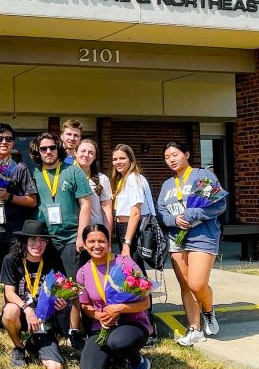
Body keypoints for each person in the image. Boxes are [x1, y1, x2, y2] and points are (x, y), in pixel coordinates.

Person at [156, 140, 227, 347]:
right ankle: (194, 329)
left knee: (197, 283)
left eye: (175, 154)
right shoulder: (168, 185)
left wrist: (192, 214)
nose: (171, 160)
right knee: (186, 285)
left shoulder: (201, 176)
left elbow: (219, 205)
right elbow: (161, 212)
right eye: (167, 157)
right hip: (176, 239)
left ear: (186, 154)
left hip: (202, 237)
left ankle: (208, 310)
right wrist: (173, 220)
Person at [29, 132, 91, 349]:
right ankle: (49, 324)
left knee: (73, 286)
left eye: (52, 148)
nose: (48, 152)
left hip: (71, 238)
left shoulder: (73, 171)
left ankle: (74, 330)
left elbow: (85, 204)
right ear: (38, 152)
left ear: (59, 148)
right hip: (45, 240)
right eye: (43, 149)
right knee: (47, 285)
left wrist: (82, 235)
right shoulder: (34, 173)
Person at [0, 123, 38, 343]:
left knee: (15, 280)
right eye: (0, 138)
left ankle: (12, 316)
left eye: (9, 139)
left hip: (13, 232)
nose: (4, 142)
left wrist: (10, 197)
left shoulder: (20, 169)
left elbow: (32, 200)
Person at [75, 224, 152, 369]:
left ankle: (139, 361)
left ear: (109, 243)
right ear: (84, 244)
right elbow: (85, 306)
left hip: (132, 323)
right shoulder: (82, 273)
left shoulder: (125, 264)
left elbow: (146, 303)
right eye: (91, 241)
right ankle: (118, 356)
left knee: (118, 342)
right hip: (102, 327)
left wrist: (120, 308)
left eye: (101, 241)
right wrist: (99, 316)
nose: (97, 246)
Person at [0, 220, 66, 369]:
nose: (38, 244)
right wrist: (27, 310)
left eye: (43, 239)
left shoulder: (53, 260)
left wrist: (62, 302)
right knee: (10, 310)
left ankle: (34, 341)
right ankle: (19, 347)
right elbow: (9, 293)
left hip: (43, 319)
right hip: (22, 314)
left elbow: (60, 289)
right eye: (33, 240)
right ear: (25, 241)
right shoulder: (11, 260)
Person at [109, 144, 156, 273]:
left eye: (122, 158)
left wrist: (127, 243)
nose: (118, 162)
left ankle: (144, 294)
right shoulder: (123, 179)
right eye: (115, 159)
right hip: (125, 228)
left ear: (131, 159)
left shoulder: (133, 179)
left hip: (132, 229)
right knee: (133, 272)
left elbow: (135, 212)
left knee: (135, 272)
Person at [74, 138, 113, 236]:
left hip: (94, 231)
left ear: (95, 157)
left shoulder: (102, 179)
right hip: (72, 232)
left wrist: (107, 237)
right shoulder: (66, 177)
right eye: (83, 151)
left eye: (91, 153)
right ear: (75, 153)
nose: (86, 155)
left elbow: (107, 210)